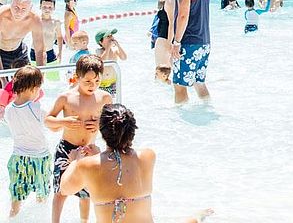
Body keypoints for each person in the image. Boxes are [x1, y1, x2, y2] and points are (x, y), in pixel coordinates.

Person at [59, 104, 213, 223]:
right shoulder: (147, 156)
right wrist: (98, 156)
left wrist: (75, 161)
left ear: (102, 132)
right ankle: (198, 216)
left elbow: (65, 189)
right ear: (132, 130)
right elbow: (119, 169)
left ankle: (197, 217)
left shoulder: (86, 166)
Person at [45, 55, 113, 223]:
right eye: (88, 81)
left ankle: (84, 221)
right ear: (77, 76)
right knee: (61, 190)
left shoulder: (104, 97)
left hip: (90, 149)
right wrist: (63, 121)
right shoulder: (66, 97)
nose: (93, 85)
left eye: (97, 81)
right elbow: (48, 120)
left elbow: (112, 123)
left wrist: (99, 123)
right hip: (67, 148)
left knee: (86, 193)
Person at [5, 66, 52, 218]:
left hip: (18, 157)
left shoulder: (8, 109)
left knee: (17, 195)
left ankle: (11, 218)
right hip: (40, 157)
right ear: (33, 88)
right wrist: (69, 122)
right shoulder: (36, 107)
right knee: (42, 195)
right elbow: (53, 124)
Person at [168, 0, 212, 104]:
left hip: (189, 42)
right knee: (199, 82)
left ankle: (179, 119)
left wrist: (176, 42)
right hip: (204, 41)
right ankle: (207, 108)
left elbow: (183, 16)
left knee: (179, 84)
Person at [0, 0, 46, 72]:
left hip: (19, 50)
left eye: (24, 9)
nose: (19, 12)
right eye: (16, 7)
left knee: (28, 81)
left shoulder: (34, 19)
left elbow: (39, 50)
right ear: (10, 4)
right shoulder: (1, 16)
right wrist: (2, 79)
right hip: (1, 52)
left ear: (30, 8)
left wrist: (41, 76)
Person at [95, 29, 127, 97]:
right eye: (108, 36)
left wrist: (118, 46)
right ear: (101, 42)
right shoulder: (99, 51)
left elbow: (124, 58)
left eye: (111, 35)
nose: (111, 38)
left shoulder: (114, 49)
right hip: (102, 83)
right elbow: (102, 61)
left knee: (113, 100)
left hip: (113, 82)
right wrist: (108, 48)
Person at [154, 0, 176, 71]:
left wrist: (169, 42)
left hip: (165, 38)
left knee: (161, 71)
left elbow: (171, 23)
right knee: (168, 70)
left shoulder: (170, 1)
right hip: (168, 37)